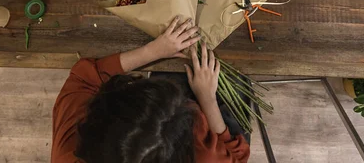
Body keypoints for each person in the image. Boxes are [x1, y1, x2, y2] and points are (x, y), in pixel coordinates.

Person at [51, 16, 250, 163]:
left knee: (177, 65)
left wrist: (153, 51)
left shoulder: (69, 153)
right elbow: (238, 157)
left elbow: (84, 77)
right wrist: (207, 99)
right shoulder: (205, 155)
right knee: (234, 66)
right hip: (213, 131)